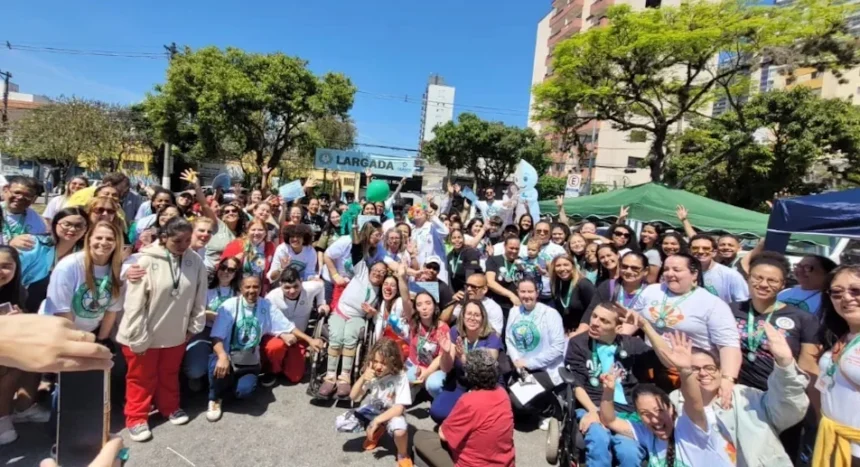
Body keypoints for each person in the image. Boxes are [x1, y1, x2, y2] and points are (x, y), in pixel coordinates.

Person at [116, 217, 207, 442]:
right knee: (141, 377)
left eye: (188, 239)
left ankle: (170, 406)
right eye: (178, 241)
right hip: (143, 332)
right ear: (164, 238)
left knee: (168, 374)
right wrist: (137, 334)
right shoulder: (144, 261)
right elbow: (134, 303)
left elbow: (199, 295)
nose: (184, 245)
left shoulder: (194, 261)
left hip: (176, 331)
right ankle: (136, 417)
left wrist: (195, 325)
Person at [670, 330, 810, 466]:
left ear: (720, 372)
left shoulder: (746, 397)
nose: (703, 373)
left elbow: (788, 408)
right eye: (694, 369)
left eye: (710, 368)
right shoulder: (674, 403)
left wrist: (785, 365)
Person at [599, 332, 732, 466]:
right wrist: (609, 391)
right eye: (646, 414)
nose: (655, 419)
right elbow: (609, 420)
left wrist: (685, 370)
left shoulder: (689, 427)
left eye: (659, 410)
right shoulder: (647, 433)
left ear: (671, 408)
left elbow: (694, 402)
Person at [630, 254, 741, 399]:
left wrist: (728, 379)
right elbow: (633, 319)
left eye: (676, 270)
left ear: (694, 274)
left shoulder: (712, 303)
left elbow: (729, 345)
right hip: (652, 363)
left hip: (693, 371)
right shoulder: (652, 291)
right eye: (666, 269)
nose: (670, 274)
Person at [564, 302, 654, 467]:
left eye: (604, 321)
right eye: (594, 316)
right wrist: (594, 411)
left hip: (626, 412)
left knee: (630, 453)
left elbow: (664, 359)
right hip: (592, 405)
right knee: (598, 439)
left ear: (618, 328)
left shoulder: (632, 344)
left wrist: (646, 327)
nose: (595, 323)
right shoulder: (578, 343)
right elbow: (577, 384)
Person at [206, 275, 293, 421]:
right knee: (217, 364)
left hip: (249, 361)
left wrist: (310, 340)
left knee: (244, 393)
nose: (252, 290)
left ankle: (228, 385)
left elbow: (287, 326)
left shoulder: (266, 305)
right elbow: (216, 337)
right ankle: (214, 397)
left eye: (255, 287)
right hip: (227, 355)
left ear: (261, 288)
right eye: (247, 287)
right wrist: (222, 356)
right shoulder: (229, 305)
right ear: (240, 289)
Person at [731, 252, 819, 390]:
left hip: (779, 393)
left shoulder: (803, 319)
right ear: (748, 278)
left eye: (772, 280)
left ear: (783, 284)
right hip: (736, 391)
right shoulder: (730, 310)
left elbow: (808, 366)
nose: (764, 284)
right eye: (758, 278)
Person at [414, 349, 515, 467]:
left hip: (472, 463)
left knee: (420, 437)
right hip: (504, 462)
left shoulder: (469, 401)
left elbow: (443, 435)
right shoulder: (502, 393)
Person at [319, 244, 387, 399]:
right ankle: (330, 378)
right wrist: (360, 234)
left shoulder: (381, 292)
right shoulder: (362, 272)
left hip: (358, 317)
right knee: (336, 337)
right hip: (340, 312)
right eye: (376, 270)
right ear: (370, 270)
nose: (378, 273)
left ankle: (344, 378)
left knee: (350, 338)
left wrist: (370, 313)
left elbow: (375, 317)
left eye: (382, 273)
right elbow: (356, 250)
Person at [43, 221, 123, 341]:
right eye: (99, 238)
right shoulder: (68, 266)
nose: (104, 242)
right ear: (89, 239)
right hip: (58, 332)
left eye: (110, 239)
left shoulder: (117, 269)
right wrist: (77, 341)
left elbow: (111, 310)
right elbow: (61, 310)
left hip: (89, 334)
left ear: (117, 243)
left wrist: (101, 340)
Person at [338, 338, 413, 467]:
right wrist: (362, 378)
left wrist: (376, 421)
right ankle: (377, 431)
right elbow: (353, 396)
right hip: (374, 409)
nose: (378, 366)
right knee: (341, 423)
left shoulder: (400, 376)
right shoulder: (371, 373)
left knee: (400, 430)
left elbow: (399, 408)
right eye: (375, 361)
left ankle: (402, 453)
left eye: (383, 363)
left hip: (391, 413)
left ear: (393, 361)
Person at [813, 265, 860, 466]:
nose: (846, 298)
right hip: (833, 442)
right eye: (837, 292)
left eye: (856, 290)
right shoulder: (841, 336)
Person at [430, 299, 503, 423]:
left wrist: (465, 359)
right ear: (462, 316)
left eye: (476, 315)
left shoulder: (492, 337)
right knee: (437, 412)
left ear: (483, 317)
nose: (472, 318)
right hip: (462, 382)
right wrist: (446, 353)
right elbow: (445, 368)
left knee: (478, 417)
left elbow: (486, 373)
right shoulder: (455, 332)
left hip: (485, 386)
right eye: (469, 314)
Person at [506, 279, 566, 430]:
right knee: (511, 405)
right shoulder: (514, 311)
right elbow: (509, 339)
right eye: (523, 291)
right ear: (517, 293)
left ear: (537, 293)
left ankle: (548, 409)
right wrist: (516, 360)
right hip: (521, 367)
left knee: (518, 402)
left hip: (546, 369)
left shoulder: (550, 314)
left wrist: (529, 363)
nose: (526, 295)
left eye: (530, 291)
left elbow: (558, 348)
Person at [184, 257, 241, 392]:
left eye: (231, 270)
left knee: (230, 365)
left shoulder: (239, 293)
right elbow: (191, 309)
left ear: (236, 274)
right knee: (194, 370)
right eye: (223, 267)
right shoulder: (205, 288)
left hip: (228, 333)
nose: (226, 272)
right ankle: (197, 376)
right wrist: (207, 314)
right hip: (205, 329)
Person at [263, 267, 328, 385]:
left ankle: (287, 362)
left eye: (296, 286)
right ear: (280, 284)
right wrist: (282, 334)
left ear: (301, 282)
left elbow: (321, 285)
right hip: (277, 335)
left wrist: (321, 303)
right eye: (287, 287)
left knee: (295, 377)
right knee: (275, 347)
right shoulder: (271, 297)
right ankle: (272, 370)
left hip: (299, 337)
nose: (292, 291)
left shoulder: (310, 288)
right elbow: (266, 322)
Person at [19, 207, 89, 314]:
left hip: (60, 311)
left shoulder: (84, 255)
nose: (72, 229)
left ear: (86, 229)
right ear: (55, 224)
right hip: (23, 306)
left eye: (78, 226)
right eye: (67, 224)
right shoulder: (34, 244)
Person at [0, 246, 29, 444]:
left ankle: (6, 416)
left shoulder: (17, 291)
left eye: (6, 266)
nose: (1, 271)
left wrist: (20, 319)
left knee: (22, 359)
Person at [585, 251, 650, 332]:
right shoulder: (608, 286)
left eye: (635, 268)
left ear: (646, 271)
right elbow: (591, 312)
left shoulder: (651, 293)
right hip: (605, 335)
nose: (628, 271)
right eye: (624, 266)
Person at [406, 291, 446, 398]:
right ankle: (417, 388)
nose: (424, 308)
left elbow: (441, 357)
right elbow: (405, 300)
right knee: (404, 378)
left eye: (428, 303)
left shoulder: (443, 328)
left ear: (435, 306)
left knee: (435, 384)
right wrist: (401, 278)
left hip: (434, 370)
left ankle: (437, 398)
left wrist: (427, 372)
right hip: (416, 365)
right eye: (419, 305)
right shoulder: (414, 323)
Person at [220, 219, 276, 293]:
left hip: (259, 290)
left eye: (260, 230)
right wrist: (235, 259)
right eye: (253, 230)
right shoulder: (236, 244)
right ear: (247, 231)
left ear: (265, 232)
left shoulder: (270, 247)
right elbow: (221, 267)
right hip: (238, 289)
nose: (256, 233)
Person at [690, 234, 749, 303]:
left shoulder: (731, 275)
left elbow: (743, 302)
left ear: (714, 252)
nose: (700, 251)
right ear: (689, 251)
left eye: (706, 248)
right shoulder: (682, 272)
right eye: (695, 248)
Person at [444, 272, 504, 337]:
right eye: (467, 286)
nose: (469, 289)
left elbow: (496, 335)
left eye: (473, 287)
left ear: (484, 289)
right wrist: (453, 304)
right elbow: (443, 323)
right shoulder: (462, 301)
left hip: (483, 343)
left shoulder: (493, 307)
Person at [549, 254, 596, 336]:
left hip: (583, 333)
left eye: (566, 265)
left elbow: (595, 308)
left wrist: (581, 330)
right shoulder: (556, 285)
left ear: (573, 266)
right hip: (565, 332)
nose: (562, 268)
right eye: (558, 266)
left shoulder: (583, 284)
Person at [520, 221, 565, 304]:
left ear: (550, 233)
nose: (542, 233)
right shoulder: (523, 249)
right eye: (539, 231)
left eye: (546, 231)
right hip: (527, 293)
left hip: (549, 294)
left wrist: (548, 271)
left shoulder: (558, 250)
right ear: (534, 231)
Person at [409, 202, 450, 284]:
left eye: (420, 210)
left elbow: (445, 232)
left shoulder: (432, 226)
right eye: (414, 211)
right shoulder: (411, 231)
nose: (417, 212)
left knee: (435, 295)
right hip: (418, 273)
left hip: (434, 272)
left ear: (426, 214)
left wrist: (432, 216)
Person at [3, 176, 48, 249]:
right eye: (17, 192)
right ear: (6, 190)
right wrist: (10, 244)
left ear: (34, 198)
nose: (20, 197)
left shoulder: (37, 222)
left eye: (27, 195)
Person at [486, 237, 524, 316]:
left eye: (517, 249)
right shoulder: (494, 260)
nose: (514, 251)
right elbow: (490, 282)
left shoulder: (522, 262)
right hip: (498, 305)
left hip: (517, 306)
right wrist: (511, 295)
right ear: (504, 246)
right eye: (511, 248)